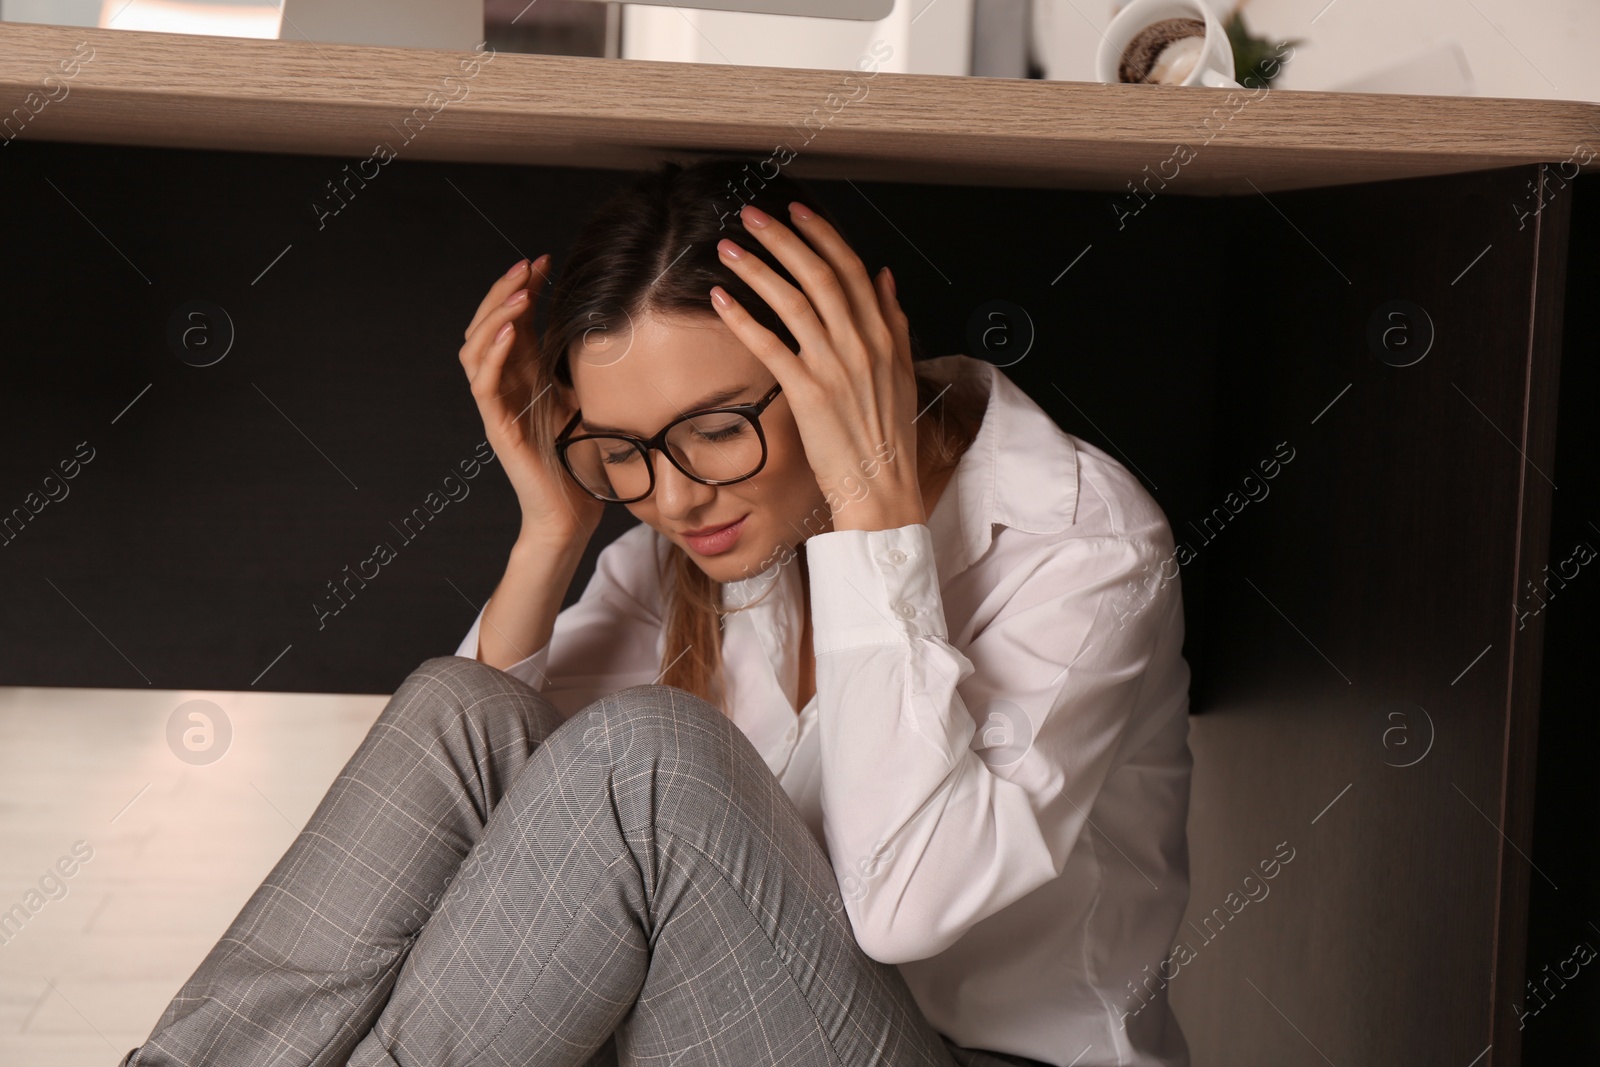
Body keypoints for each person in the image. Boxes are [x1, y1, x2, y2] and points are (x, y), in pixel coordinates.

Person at [117, 157, 1193, 1067]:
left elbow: (904, 901)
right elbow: (483, 811)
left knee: (651, 760)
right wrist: (551, 532)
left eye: (716, 429)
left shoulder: (1077, 540)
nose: (672, 496)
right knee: (460, 704)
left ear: (836, 368)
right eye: (620, 451)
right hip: (734, 1016)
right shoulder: (693, 544)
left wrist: (871, 504)